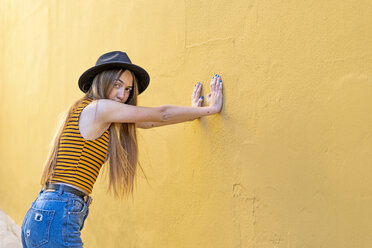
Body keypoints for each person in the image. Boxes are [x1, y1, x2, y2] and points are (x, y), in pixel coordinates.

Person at [20, 51, 223, 247]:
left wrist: (195, 112)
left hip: (44, 214)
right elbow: (161, 114)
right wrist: (210, 109)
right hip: (57, 215)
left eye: (127, 89)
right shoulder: (100, 109)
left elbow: (151, 122)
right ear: (102, 81)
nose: (122, 94)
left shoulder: (87, 111)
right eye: (117, 85)